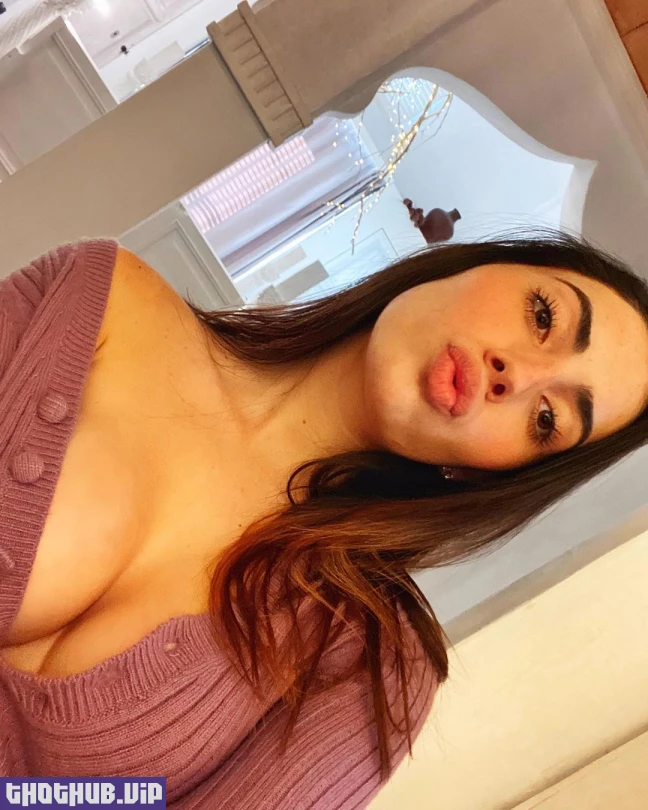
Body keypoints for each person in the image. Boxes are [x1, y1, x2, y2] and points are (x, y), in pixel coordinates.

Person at [0, 231, 647, 807]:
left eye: (547, 420)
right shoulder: (106, 302)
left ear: (491, 474)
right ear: (471, 263)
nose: (519, 376)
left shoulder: (371, 666)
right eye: (544, 315)